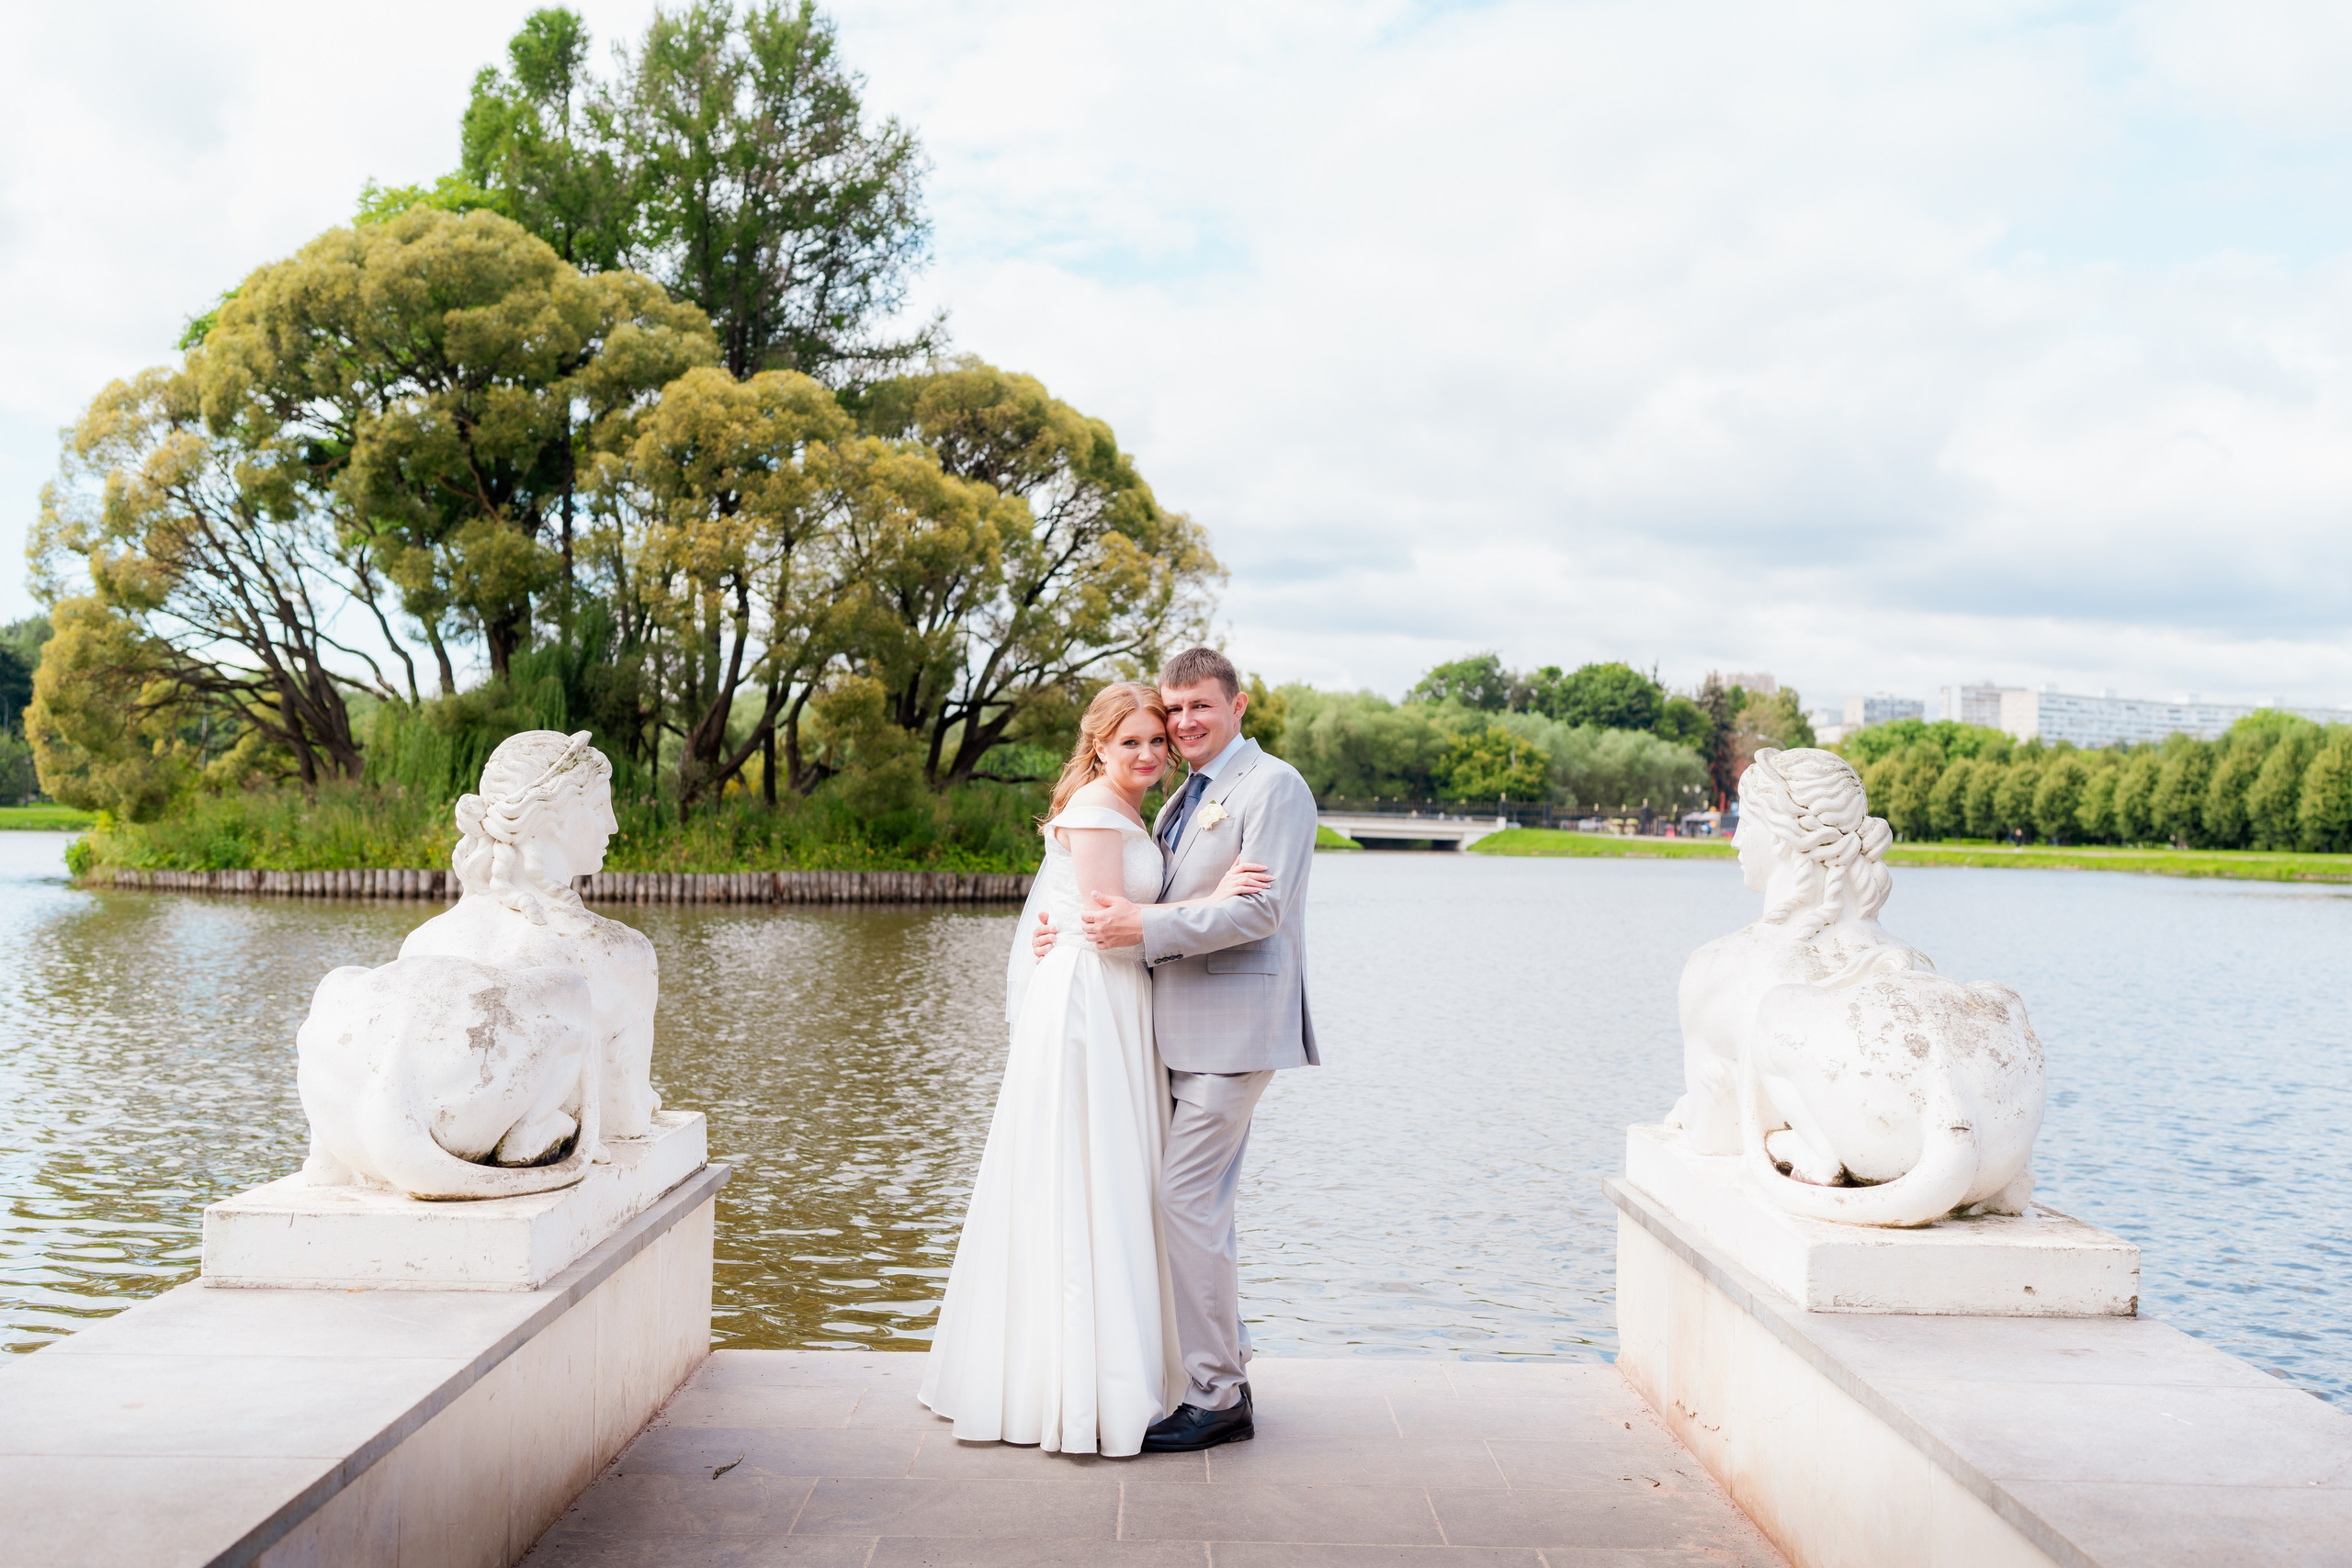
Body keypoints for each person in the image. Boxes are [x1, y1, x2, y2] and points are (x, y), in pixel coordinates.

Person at [918, 682, 1272, 1456]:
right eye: (1132, 742)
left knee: (1122, 1177)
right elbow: (1112, 925)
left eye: (1157, 739)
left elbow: (1104, 912)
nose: (1149, 752)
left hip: (1119, 999)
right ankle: (1079, 1383)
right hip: (1092, 1004)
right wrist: (1217, 893)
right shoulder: (1095, 809)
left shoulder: (1135, 805)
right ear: (1099, 745)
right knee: (1089, 1175)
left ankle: (1154, 1366)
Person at [1036, 646, 1322, 1453]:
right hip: (1162, 1029)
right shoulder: (1175, 799)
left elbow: (1261, 909)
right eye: (1175, 709)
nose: (1184, 722)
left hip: (1232, 1032)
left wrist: (1141, 927)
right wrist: (1076, 932)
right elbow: (1146, 895)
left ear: (1239, 707)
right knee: (1188, 1205)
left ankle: (1218, 1394)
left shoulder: (1274, 787)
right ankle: (1222, 1365)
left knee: (1185, 1201)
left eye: (1200, 706)